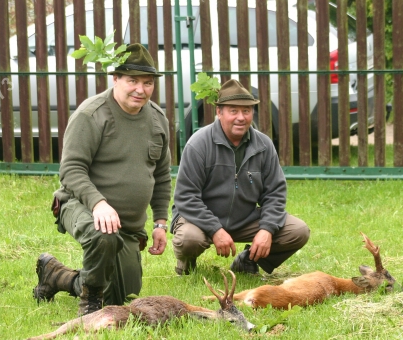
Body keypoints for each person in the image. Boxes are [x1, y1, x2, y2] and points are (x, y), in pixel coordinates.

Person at [33, 44, 171, 315]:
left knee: (122, 296)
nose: (140, 90)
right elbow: (71, 169)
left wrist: (160, 223)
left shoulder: (157, 118)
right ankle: (90, 305)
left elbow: (162, 174)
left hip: (128, 227)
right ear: (115, 78)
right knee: (102, 235)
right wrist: (98, 203)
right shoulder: (91, 114)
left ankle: (54, 275)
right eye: (132, 80)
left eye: (147, 82)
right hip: (79, 205)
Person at [171, 79, 310, 275]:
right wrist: (215, 229)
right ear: (219, 112)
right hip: (200, 221)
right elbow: (186, 197)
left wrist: (267, 229)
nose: (241, 117)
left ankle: (247, 260)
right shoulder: (199, 144)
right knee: (189, 239)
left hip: (245, 218)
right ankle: (186, 265)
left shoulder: (264, 145)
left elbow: (275, 193)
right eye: (233, 111)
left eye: (246, 111)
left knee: (298, 231)